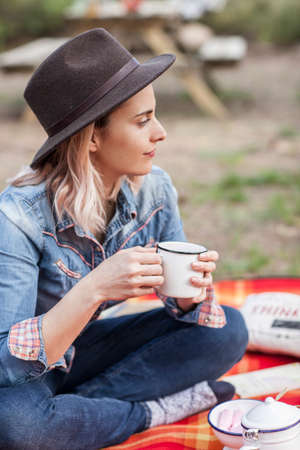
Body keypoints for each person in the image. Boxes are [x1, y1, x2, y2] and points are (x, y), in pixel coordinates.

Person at [0, 29, 248, 450]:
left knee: (227, 330)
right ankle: (150, 413)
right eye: (143, 121)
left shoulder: (155, 189)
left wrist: (190, 293)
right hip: (24, 367)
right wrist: (95, 288)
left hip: (82, 351)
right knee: (16, 427)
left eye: (156, 115)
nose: (161, 133)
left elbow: (179, 310)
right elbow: (5, 362)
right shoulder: (17, 217)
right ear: (92, 138)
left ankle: (75, 414)